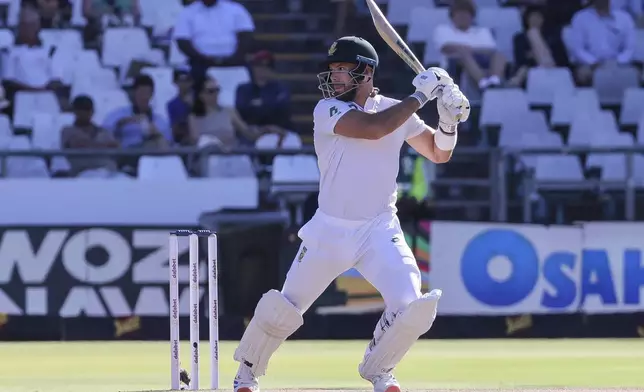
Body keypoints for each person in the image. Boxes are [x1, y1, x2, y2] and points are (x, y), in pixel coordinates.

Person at [229, 36, 470, 392]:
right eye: (333, 70)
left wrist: (449, 122)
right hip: (329, 230)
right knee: (286, 306)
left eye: (343, 69)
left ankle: (380, 370)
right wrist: (420, 96)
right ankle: (246, 375)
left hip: (378, 228)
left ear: (366, 71)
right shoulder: (327, 110)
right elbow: (372, 130)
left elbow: (438, 153)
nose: (335, 77)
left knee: (412, 305)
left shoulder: (395, 109)